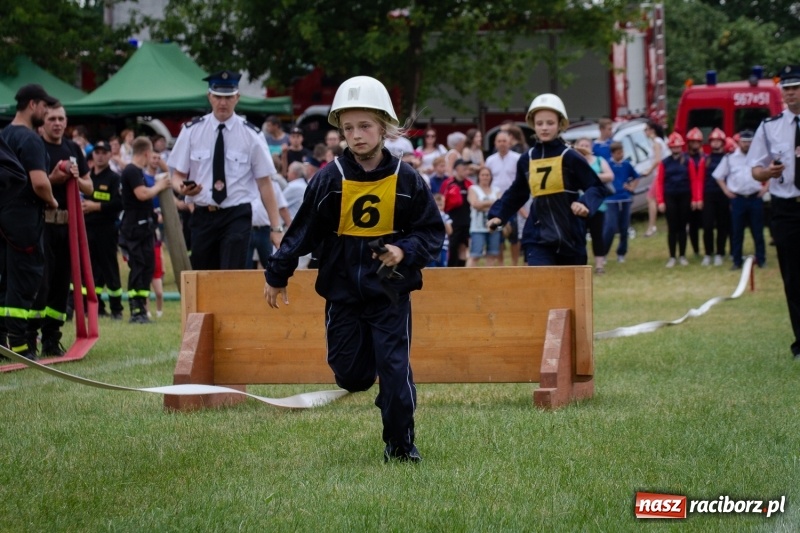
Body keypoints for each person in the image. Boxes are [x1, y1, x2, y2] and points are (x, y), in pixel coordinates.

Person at [265, 75, 444, 463]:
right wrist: (278, 273)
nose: (357, 135)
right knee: (352, 376)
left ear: (383, 126)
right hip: (342, 293)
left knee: (396, 375)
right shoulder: (330, 178)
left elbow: (432, 231)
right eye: (348, 128)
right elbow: (302, 232)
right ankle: (374, 384)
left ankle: (400, 445)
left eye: (364, 126)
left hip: (390, 293)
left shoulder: (408, 179)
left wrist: (403, 249)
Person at [169, 70, 283, 270]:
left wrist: (276, 228)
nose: (223, 102)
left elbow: (265, 183)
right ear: (209, 96)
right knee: (203, 276)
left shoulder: (251, 135)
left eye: (228, 97)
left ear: (237, 98)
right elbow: (177, 175)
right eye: (218, 96)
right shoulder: (191, 131)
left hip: (236, 214)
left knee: (230, 274)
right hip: (203, 213)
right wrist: (182, 188)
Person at [487, 94, 607, 266]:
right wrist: (498, 214)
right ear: (533, 125)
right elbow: (517, 193)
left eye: (550, 123)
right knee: (541, 289)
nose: (544, 128)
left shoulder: (570, 156)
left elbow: (597, 187)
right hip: (537, 237)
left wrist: (585, 204)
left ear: (560, 125)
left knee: (570, 292)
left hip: (570, 236)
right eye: (539, 123)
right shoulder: (526, 159)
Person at [0, 85, 60, 360]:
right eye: (45, 107)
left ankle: (2, 343)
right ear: (33, 105)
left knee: (4, 280)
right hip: (24, 220)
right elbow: (38, 182)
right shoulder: (30, 139)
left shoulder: (4, 135)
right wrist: (52, 200)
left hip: (4, 216)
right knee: (25, 280)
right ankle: (22, 346)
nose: (48, 112)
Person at [748, 64, 800, 359]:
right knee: (793, 278)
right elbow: (755, 169)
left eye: (795, 88)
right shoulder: (770, 127)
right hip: (786, 209)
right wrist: (767, 172)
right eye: (787, 89)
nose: (791, 94)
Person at [32, 103, 93, 356]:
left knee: (61, 284)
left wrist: (76, 178)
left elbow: (89, 187)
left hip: (68, 226)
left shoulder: (72, 148)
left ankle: (51, 337)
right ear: (42, 123)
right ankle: (28, 336)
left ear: (66, 122)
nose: (57, 123)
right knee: (40, 283)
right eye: (52, 119)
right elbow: (32, 183)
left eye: (61, 119)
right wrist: (54, 178)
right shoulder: (36, 147)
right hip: (42, 224)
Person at [121, 137, 171, 323]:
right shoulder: (131, 170)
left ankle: (142, 307)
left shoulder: (138, 172)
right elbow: (141, 194)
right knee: (138, 267)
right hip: (134, 229)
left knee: (147, 267)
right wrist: (159, 186)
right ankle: (135, 309)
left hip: (145, 228)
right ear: (146, 153)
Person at [82, 140, 124, 320]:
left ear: (109, 155)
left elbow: (120, 203)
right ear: (92, 155)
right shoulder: (87, 177)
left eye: (103, 152)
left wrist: (96, 206)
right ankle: (94, 307)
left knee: (109, 268)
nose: (99, 155)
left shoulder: (114, 178)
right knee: (91, 270)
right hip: (87, 229)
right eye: (97, 152)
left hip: (106, 229)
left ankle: (117, 309)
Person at [713, 130, 766, 270]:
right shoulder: (730, 158)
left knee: (758, 231)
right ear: (739, 142)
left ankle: (761, 259)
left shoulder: (760, 158)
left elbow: (772, 172)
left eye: (749, 142)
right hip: (738, 199)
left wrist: (765, 189)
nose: (747, 145)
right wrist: (726, 191)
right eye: (744, 142)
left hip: (755, 198)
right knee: (737, 232)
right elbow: (718, 176)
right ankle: (737, 261)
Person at [656, 132, 701, 267]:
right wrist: (660, 201)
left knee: (683, 227)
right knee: (672, 227)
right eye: (673, 147)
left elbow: (694, 180)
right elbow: (660, 182)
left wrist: (695, 198)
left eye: (678, 147)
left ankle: (682, 255)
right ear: (670, 148)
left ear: (681, 147)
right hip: (670, 196)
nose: (676, 149)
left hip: (685, 196)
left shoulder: (688, 161)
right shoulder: (665, 163)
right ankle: (672, 256)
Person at [573, 137, 613, 274]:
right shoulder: (573, 161)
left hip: (597, 206)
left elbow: (610, 175)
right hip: (577, 205)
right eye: (581, 145)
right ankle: (580, 264)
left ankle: (599, 265)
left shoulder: (599, 160)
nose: (584, 147)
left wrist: (592, 175)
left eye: (587, 145)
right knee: (578, 236)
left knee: (597, 236)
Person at [485, 130, 522, 265]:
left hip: (514, 201)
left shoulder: (518, 158)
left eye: (504, 141)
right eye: (499, 141)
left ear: (510, 142)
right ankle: (500, 264)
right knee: (498, 235)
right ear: (495, 143)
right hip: (497, 201)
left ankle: (514, 263)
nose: (502, 144)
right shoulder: (490, 160)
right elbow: (486, 179)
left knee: (514, 235)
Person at [602, 141, 640, 263]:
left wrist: (631, 187)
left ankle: (621, 253)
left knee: (624, 227)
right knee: (610, 227)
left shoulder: (627, 164)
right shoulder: (607, 164)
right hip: (611, 200)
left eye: (622, 152)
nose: (621, 155)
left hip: (625, 199)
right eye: (618, 153)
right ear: (612, 153)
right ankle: (603, 253)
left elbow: (636, 177)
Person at [700, 128, 731, 266]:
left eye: (718, 141)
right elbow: (699, 179)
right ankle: (708, 253)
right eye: (713, 141)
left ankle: (720, 252)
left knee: (722, 225)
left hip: (723, 195)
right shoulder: (706, 159)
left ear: (723, 142)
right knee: (707, 225)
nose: (716, 143)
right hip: (709, 195)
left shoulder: (728, 158)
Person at [440, 159, 473, 266]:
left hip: (466, 220)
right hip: (453, 220)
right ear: (457, 168)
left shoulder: (469, 184)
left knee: (463, 246)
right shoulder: (448, 183)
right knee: (453, 246)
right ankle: (450, 268)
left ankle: (461, 269)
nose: (466, 170)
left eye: (467, 168)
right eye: (463, 167)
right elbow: (441, 199)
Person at [467, 166, 501, 266]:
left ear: (491, 177)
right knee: (475, 255)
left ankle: (488, 279)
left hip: (494, 227)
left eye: (487, 175)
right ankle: (467, 278)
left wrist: (482, 203)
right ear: (479, 176)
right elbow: (474, 204)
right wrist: (493, 204)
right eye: (482, 175)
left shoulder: (496, 189)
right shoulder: (473, 188)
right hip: (477, 228)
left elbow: (500, 205)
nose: (485, 177)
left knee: (492, 254)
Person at [643, 120, 668, 237]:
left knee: (650, 198)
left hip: (659, 174)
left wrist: (648, 170)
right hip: (659, 174)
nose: (645, 132)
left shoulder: (656, 143)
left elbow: (658, 160)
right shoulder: (658, 141)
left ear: (652, 130)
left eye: (646, 129)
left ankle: (652, 227)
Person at [685, 127, 705, 256]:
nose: (694, 144)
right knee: (692, 225)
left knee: (706, 224)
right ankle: (696, 250)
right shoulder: (684, 159)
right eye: (692, 142)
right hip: (688, 195)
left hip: (703, 195)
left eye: (697, 142)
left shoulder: (705, 158)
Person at [428, 193, 452, 267]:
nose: (439, 207)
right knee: (431, 268)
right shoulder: (428, 216)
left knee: (442, 267)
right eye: (437, 205)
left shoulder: (445, 216)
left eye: (440, 205)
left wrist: (443, 220)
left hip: (443, 247)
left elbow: (450, 231)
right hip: (431, 248)